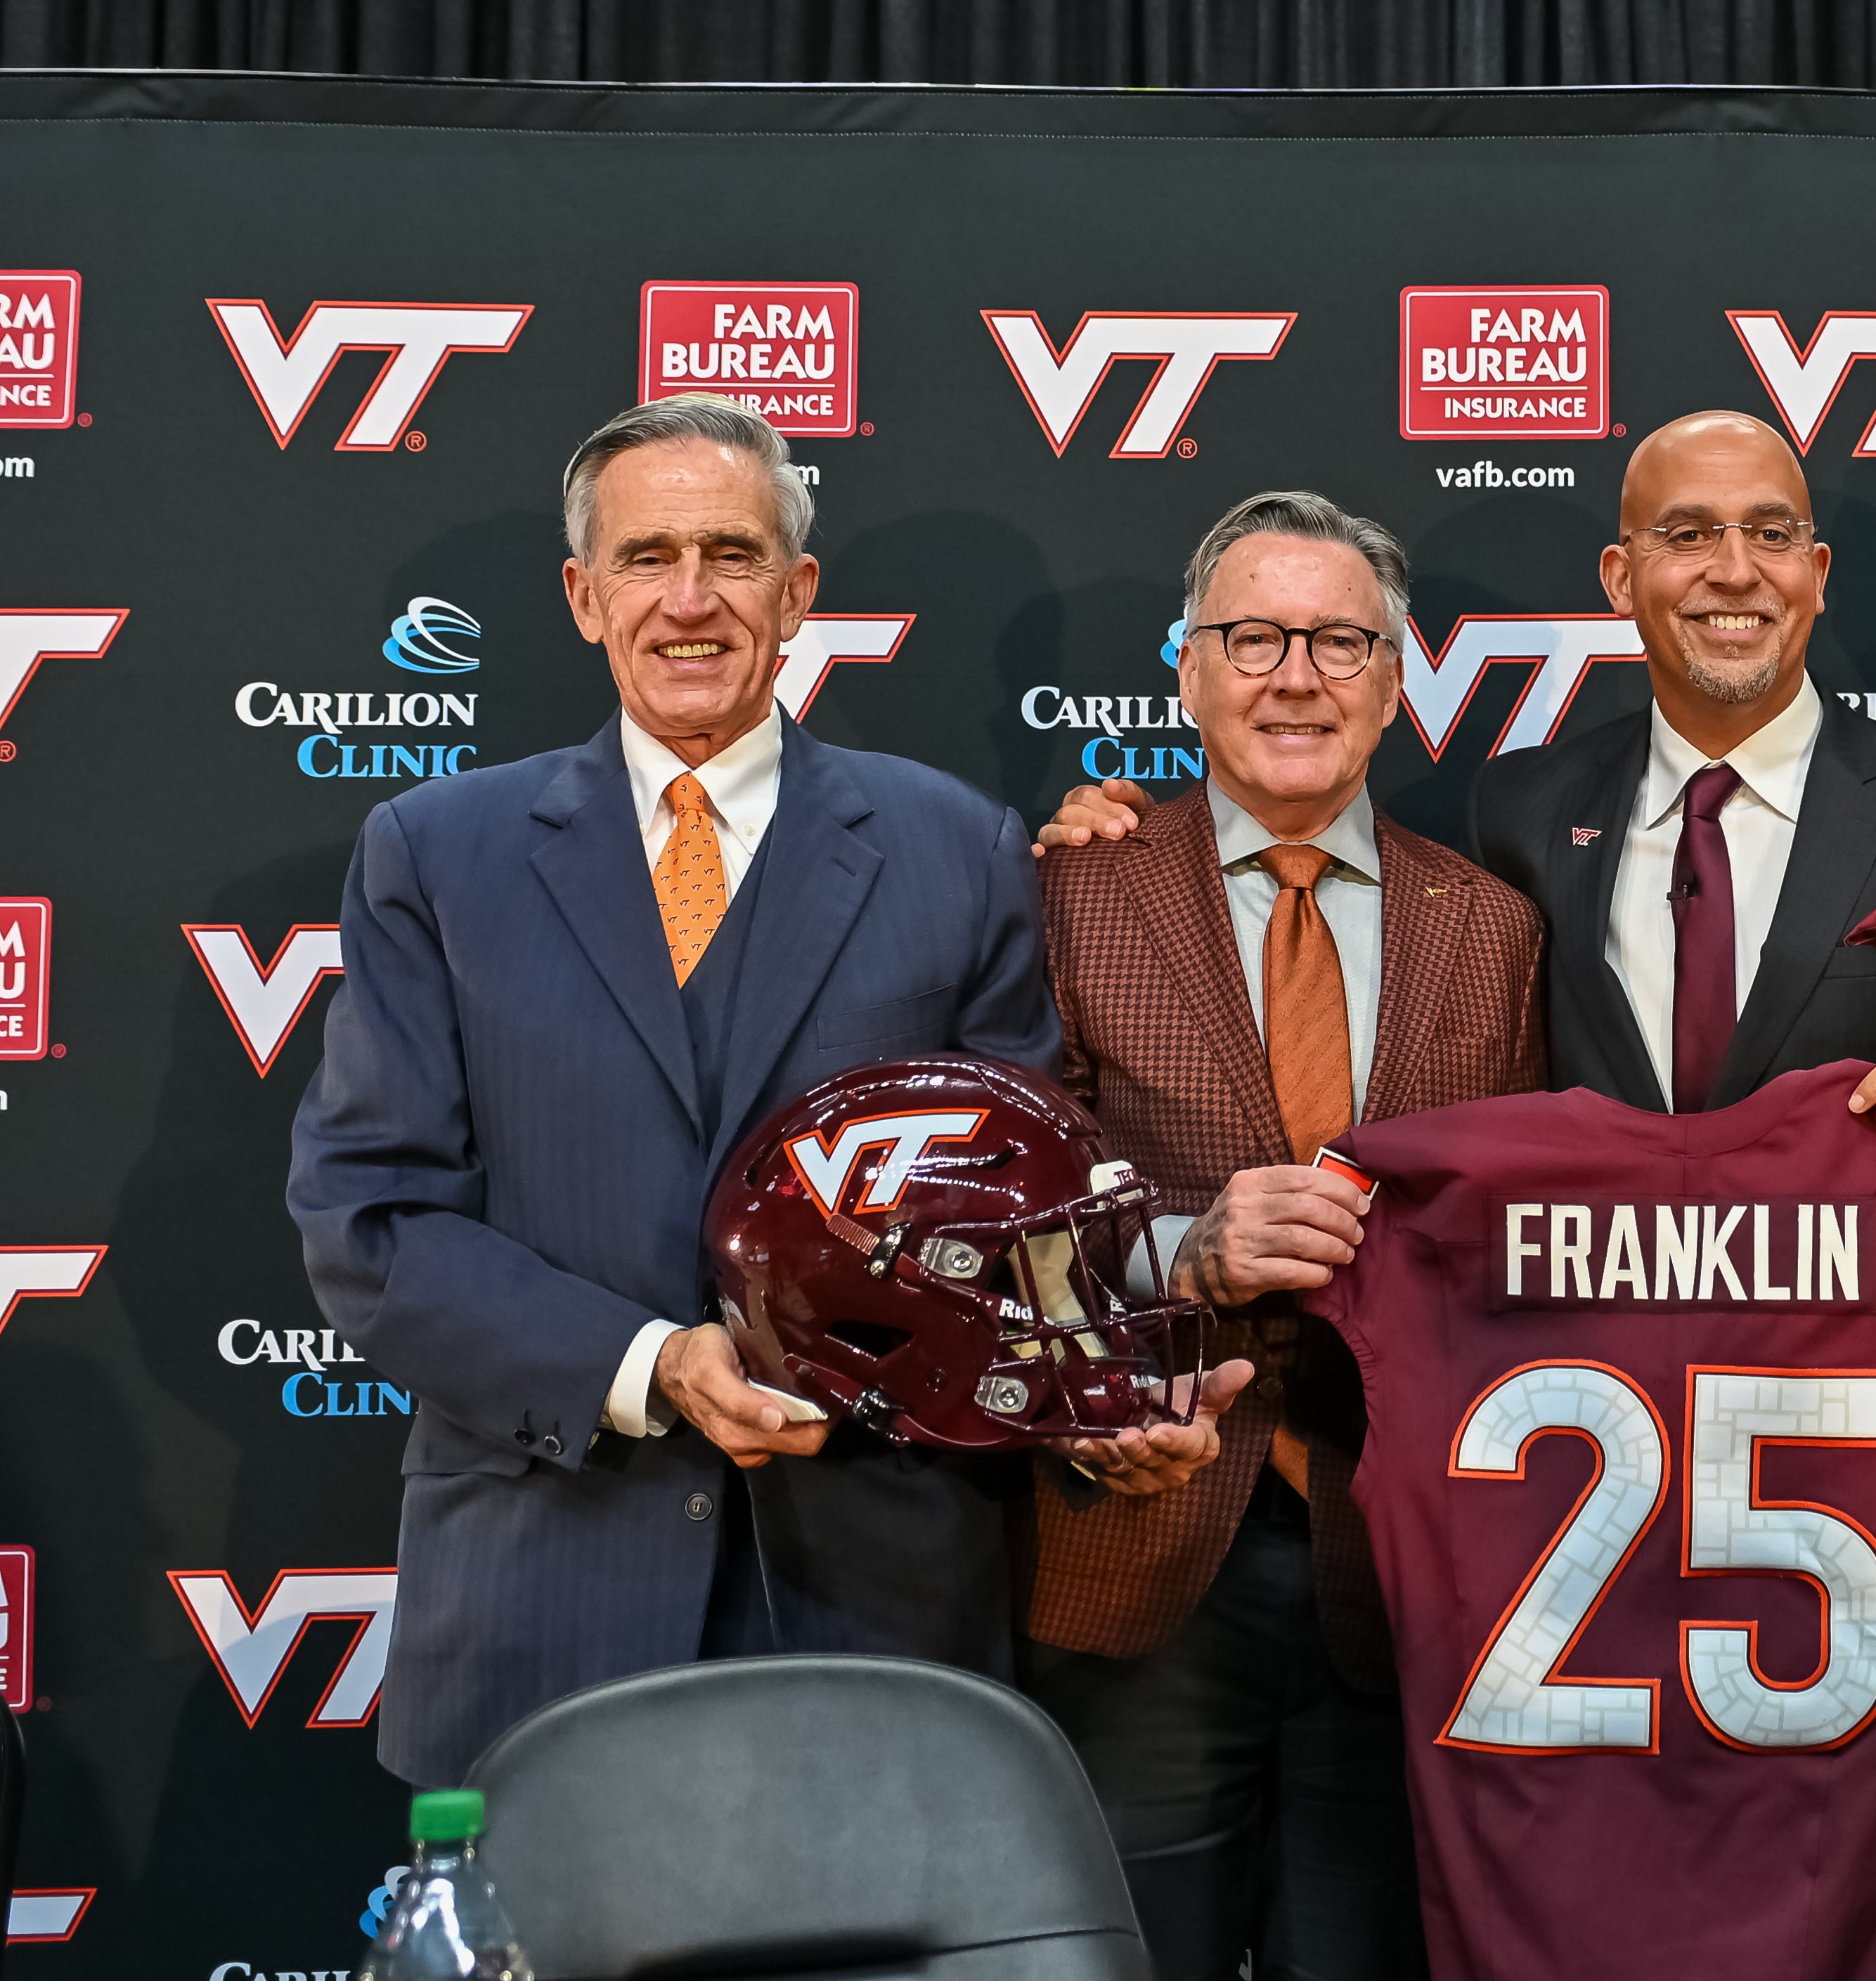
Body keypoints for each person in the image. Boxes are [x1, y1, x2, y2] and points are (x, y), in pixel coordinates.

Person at [1039, 419, 1876, 1975]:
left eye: (1340, 642)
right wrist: (1107, 831)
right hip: (1510, 1523)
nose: (1729, 570)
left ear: (1819, 574)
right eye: (1685, 534)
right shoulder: (1521, 817)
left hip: (1815, 1522)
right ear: (1621, 574)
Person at [286, 394, 1234, 1788]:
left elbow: (1018, 1222)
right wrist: (652, 1367)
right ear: (582, 596)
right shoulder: (436, 854)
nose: (688, 601)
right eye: (646, 558)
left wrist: (1097, 1415)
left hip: (878, 1605)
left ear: (796, 596)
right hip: (548, 1601)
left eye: (731, 557)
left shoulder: (955, 848)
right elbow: (376, 1221)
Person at [1026, 491, 1543, 1980]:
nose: (1294, 676)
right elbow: (985, 1226)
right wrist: (1182, 1245)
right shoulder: (1067, 892)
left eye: (1338, 642)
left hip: (1411, 1575)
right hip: (1141, 1552)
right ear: (1186, 671)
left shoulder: (1492, 926)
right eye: (1252, 638)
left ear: (1397, 680)